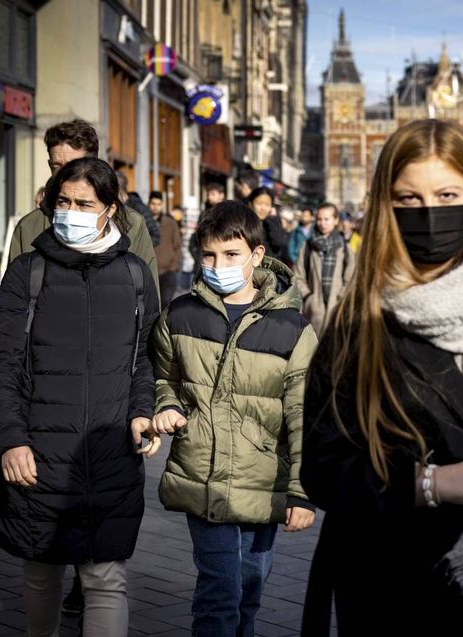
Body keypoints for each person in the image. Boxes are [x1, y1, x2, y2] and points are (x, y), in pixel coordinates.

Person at [299, 119, 463, 636]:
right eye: (408, 199)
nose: (429, 213)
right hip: (394, 592)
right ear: (386, 207)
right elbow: (323, 468)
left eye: (445, 193)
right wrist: (432, 484)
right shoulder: (361, 325)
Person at [0, 157, 160, 637]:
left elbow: (146, 359)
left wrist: (143, 411)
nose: (71, 212)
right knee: (41, 572)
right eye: (63, 201)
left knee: (105, 577)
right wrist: (9, 439)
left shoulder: (137, 276)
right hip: (38, 455)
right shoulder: (27, 273)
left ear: (109, 210)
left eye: (84, 203)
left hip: (109, 455)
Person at [144, 200, 317, 636]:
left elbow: (303, 413)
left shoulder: (292, 329)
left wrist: (302, 492)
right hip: (202, 475)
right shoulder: (180, 315)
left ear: (257, 256)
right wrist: (167, 406)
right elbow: (164, 375)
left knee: (250, 588)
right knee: (219, 591)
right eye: (208, 255)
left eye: (231, 254)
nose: (217, 264)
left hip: (264, 481)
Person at [3, 120, 158, 289]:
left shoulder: (131, 223)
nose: (64, 174)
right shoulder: (29, 227)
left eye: (74, 165)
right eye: (57, 166)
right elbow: (14, 297)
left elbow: (147, 297)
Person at [293, 203, 356, 336]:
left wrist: (342, 296)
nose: (322, 223)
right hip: (313, 311)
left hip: (337, 308)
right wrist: (309, 297)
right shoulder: (308, 246)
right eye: (319, 219)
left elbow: (351, 276)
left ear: (335, 220)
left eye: (327, 219)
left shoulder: (343, 247)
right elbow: (298, 275)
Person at [151, 190, 182, 307]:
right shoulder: (144, 222)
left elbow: (177, 245)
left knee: (166, 302)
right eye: (153, 204)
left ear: (162, 205)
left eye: (158, 204)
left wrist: (174, 266)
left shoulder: (170, 223)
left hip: (168, 271)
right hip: (151, 270)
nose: (155, 207)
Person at [248, 187, 290, 264]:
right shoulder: (244, 225)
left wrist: (272, 220)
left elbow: (281, 243)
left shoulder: (273, 223)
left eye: (267, 204)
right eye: (259, 204)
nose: (263, 208)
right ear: (250, 204)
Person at [118, 172, 160, 247]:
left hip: (135, 256)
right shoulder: (113, 207)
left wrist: (135, 247)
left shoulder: (140, 209)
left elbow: (155, 236)